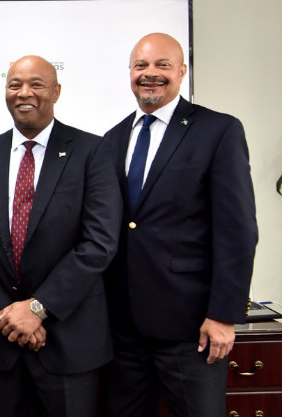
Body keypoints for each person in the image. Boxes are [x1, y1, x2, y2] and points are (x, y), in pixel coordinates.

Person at [0, 55, 122, 417]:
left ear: (56, 91)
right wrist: (9, 315)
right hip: (5, 339)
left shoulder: (92, 152)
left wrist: (37, 309)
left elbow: (99, 243)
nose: (24, 93)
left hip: (70, 340)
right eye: (14, 85)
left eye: (36, 84)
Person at [103, 33, 258, 417]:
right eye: (141, 66)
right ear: (130, 73)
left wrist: (224, 314)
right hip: (123, 329)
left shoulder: (218, 130)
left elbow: (237, 230)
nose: (150, 74)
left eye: (162, 65)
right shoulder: (112, 138)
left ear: (182, 71)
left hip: (193, 328)